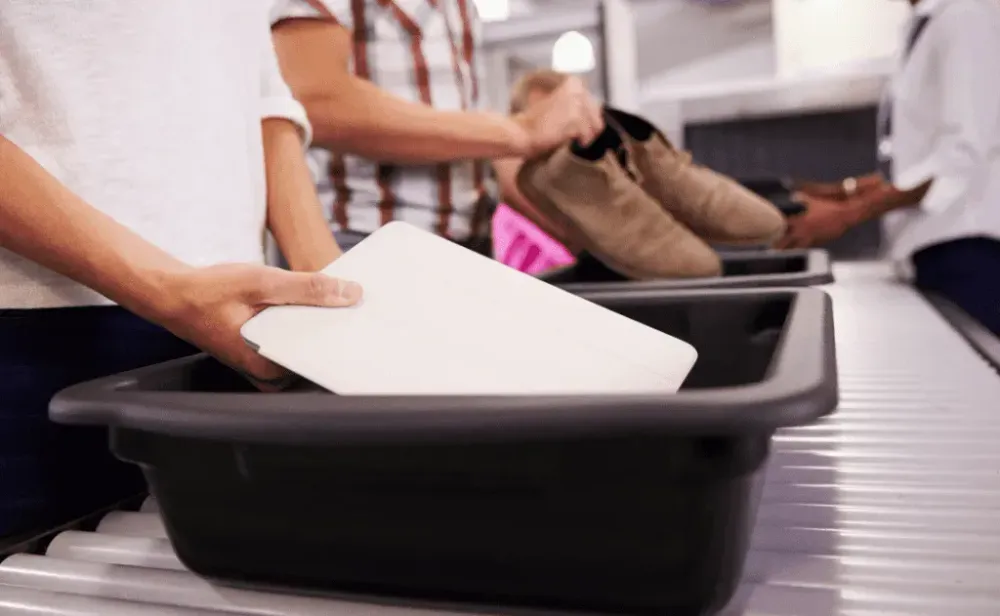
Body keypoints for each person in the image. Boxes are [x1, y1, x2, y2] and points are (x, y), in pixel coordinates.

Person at [0, 1, 362, 537]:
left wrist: (329, 281)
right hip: (36, 326)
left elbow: (260, 92)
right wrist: (164, 287)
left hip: (235, 327)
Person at [269, 0, 604, 254]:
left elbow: (461, 129)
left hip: (464, 246)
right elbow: (314, 99)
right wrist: (519, 131)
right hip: (371, 247)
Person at [778, 0, 1000, 334]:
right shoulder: (926, 22)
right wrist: (840, 192)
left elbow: (961, 156)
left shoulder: (966, 14)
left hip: (968, 251)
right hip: (938, 248)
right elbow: (920, 162)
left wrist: (846, 214)